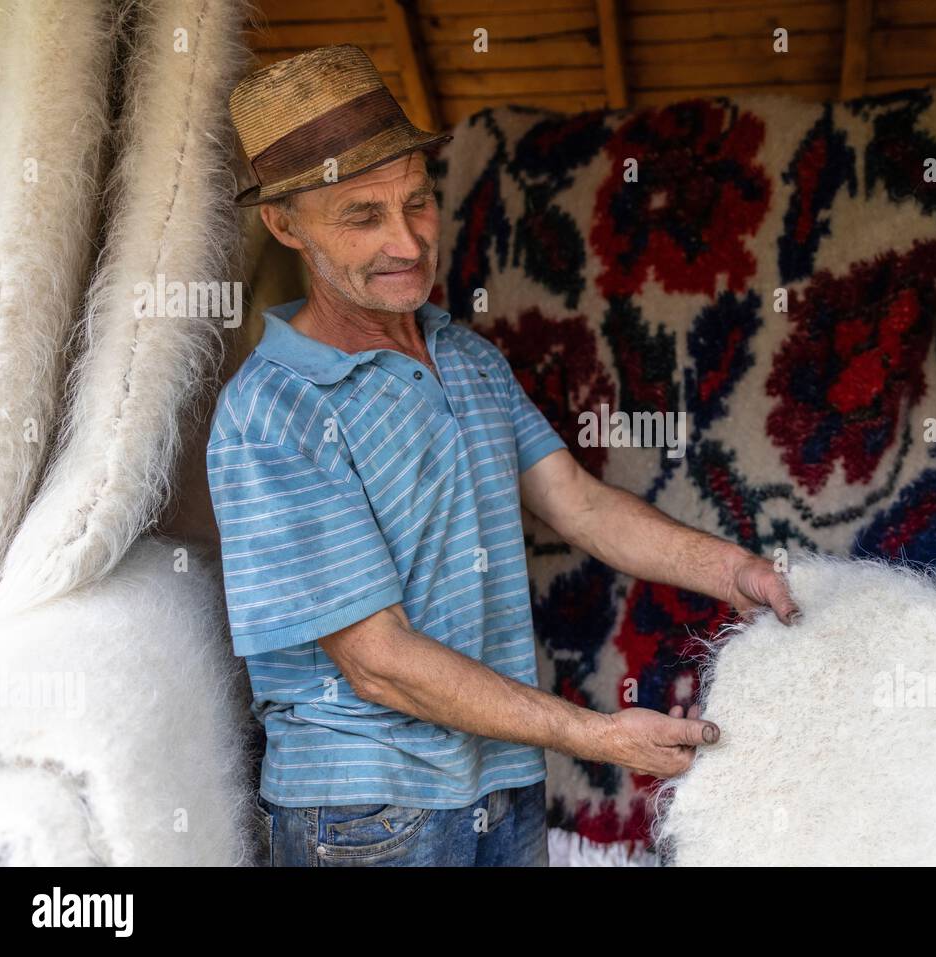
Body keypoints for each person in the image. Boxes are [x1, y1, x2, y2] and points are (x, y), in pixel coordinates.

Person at [209, 45, 799, 867]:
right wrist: (595, 734)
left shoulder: (467, 356)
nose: (407, 241)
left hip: (500, 782)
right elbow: (379, 663)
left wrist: (732, 569)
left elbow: (579, 505)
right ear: (285, 225)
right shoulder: (272, 411)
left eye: (417, 202)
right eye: (362, 216)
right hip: (364, 817)